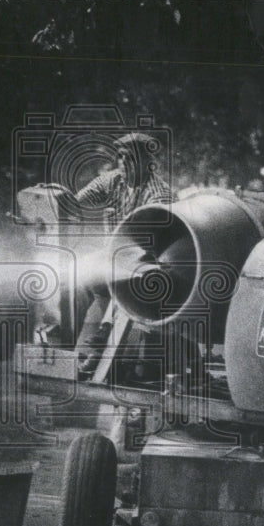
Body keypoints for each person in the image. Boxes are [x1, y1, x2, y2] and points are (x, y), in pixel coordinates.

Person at [68, 132, 172, 376]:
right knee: (76, 280)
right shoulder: (112, 181)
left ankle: (100, 344)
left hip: (151, 263)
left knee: (119, 276)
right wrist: (55, 203)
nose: (123, 163)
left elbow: (150, 240)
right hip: (113, 259)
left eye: (130, 159)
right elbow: (75, 203)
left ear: (148, 164)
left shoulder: (159, 194)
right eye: (121, 157)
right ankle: (66, 347)